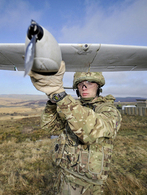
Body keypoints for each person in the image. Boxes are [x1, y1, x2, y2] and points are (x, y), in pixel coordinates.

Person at [29, 61, 121, 195]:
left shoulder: (109, 111)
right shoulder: (73, 108)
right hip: (64, 175)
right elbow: (50, 127)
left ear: (98, 86)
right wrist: (52, 103)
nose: (84, 87)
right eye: (80, 84)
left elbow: (90, 132)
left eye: (89, 83)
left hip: (86, 184)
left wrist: (61, 96)